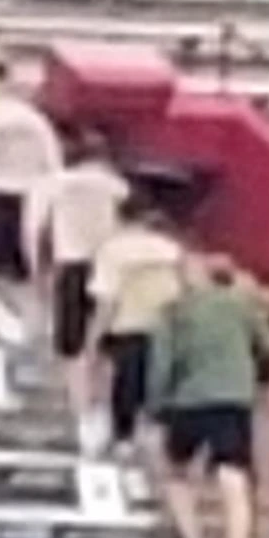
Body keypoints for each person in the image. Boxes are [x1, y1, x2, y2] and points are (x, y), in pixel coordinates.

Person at [149, 253, 269, 538]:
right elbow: (268, 345)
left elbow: (162, 362)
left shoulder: (174, 311)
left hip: (189, 399)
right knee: (233, 477)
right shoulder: (240, 305)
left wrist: (156, 404)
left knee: (175, 469)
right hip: (234, 398)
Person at [31, 136, 130, 448]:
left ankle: (83, 416)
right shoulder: (117, 187)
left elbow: (35, 229)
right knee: (103, 346)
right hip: (108, 263)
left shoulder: (55, 184)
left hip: (72, 263)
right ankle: (104, 412)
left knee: (72, 348)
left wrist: (38, 270)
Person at [0, 54, 62, 337]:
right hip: (34, 198)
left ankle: (8, 329)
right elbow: (54, 163)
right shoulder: (35, 119)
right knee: (25, 273)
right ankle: (34, 327)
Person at [88, 190, 185, 465]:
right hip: (166, 325)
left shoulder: (113, 250)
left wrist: (94, 337)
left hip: (128, 324)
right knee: (159, 386)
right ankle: (157, 440)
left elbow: (106, 297)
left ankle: (124, 439)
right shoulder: (170, 249)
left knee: (125, 385)